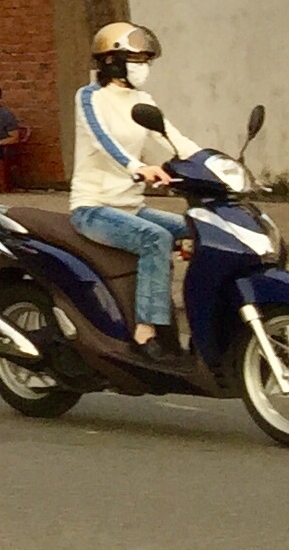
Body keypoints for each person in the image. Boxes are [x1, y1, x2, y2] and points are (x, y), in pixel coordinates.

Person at [70, 21, 201, 353]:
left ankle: (193, 325)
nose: (143, 67)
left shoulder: (142, 99)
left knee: (199, 229)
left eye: (146, 60)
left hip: (131, 207)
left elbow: (173, 138)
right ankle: (146, 330)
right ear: (112, 61)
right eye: (136, 59)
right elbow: (103, 141)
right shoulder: (90, 97)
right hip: (94, 208)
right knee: (154, 238)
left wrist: (215, 165)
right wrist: (139, 168)